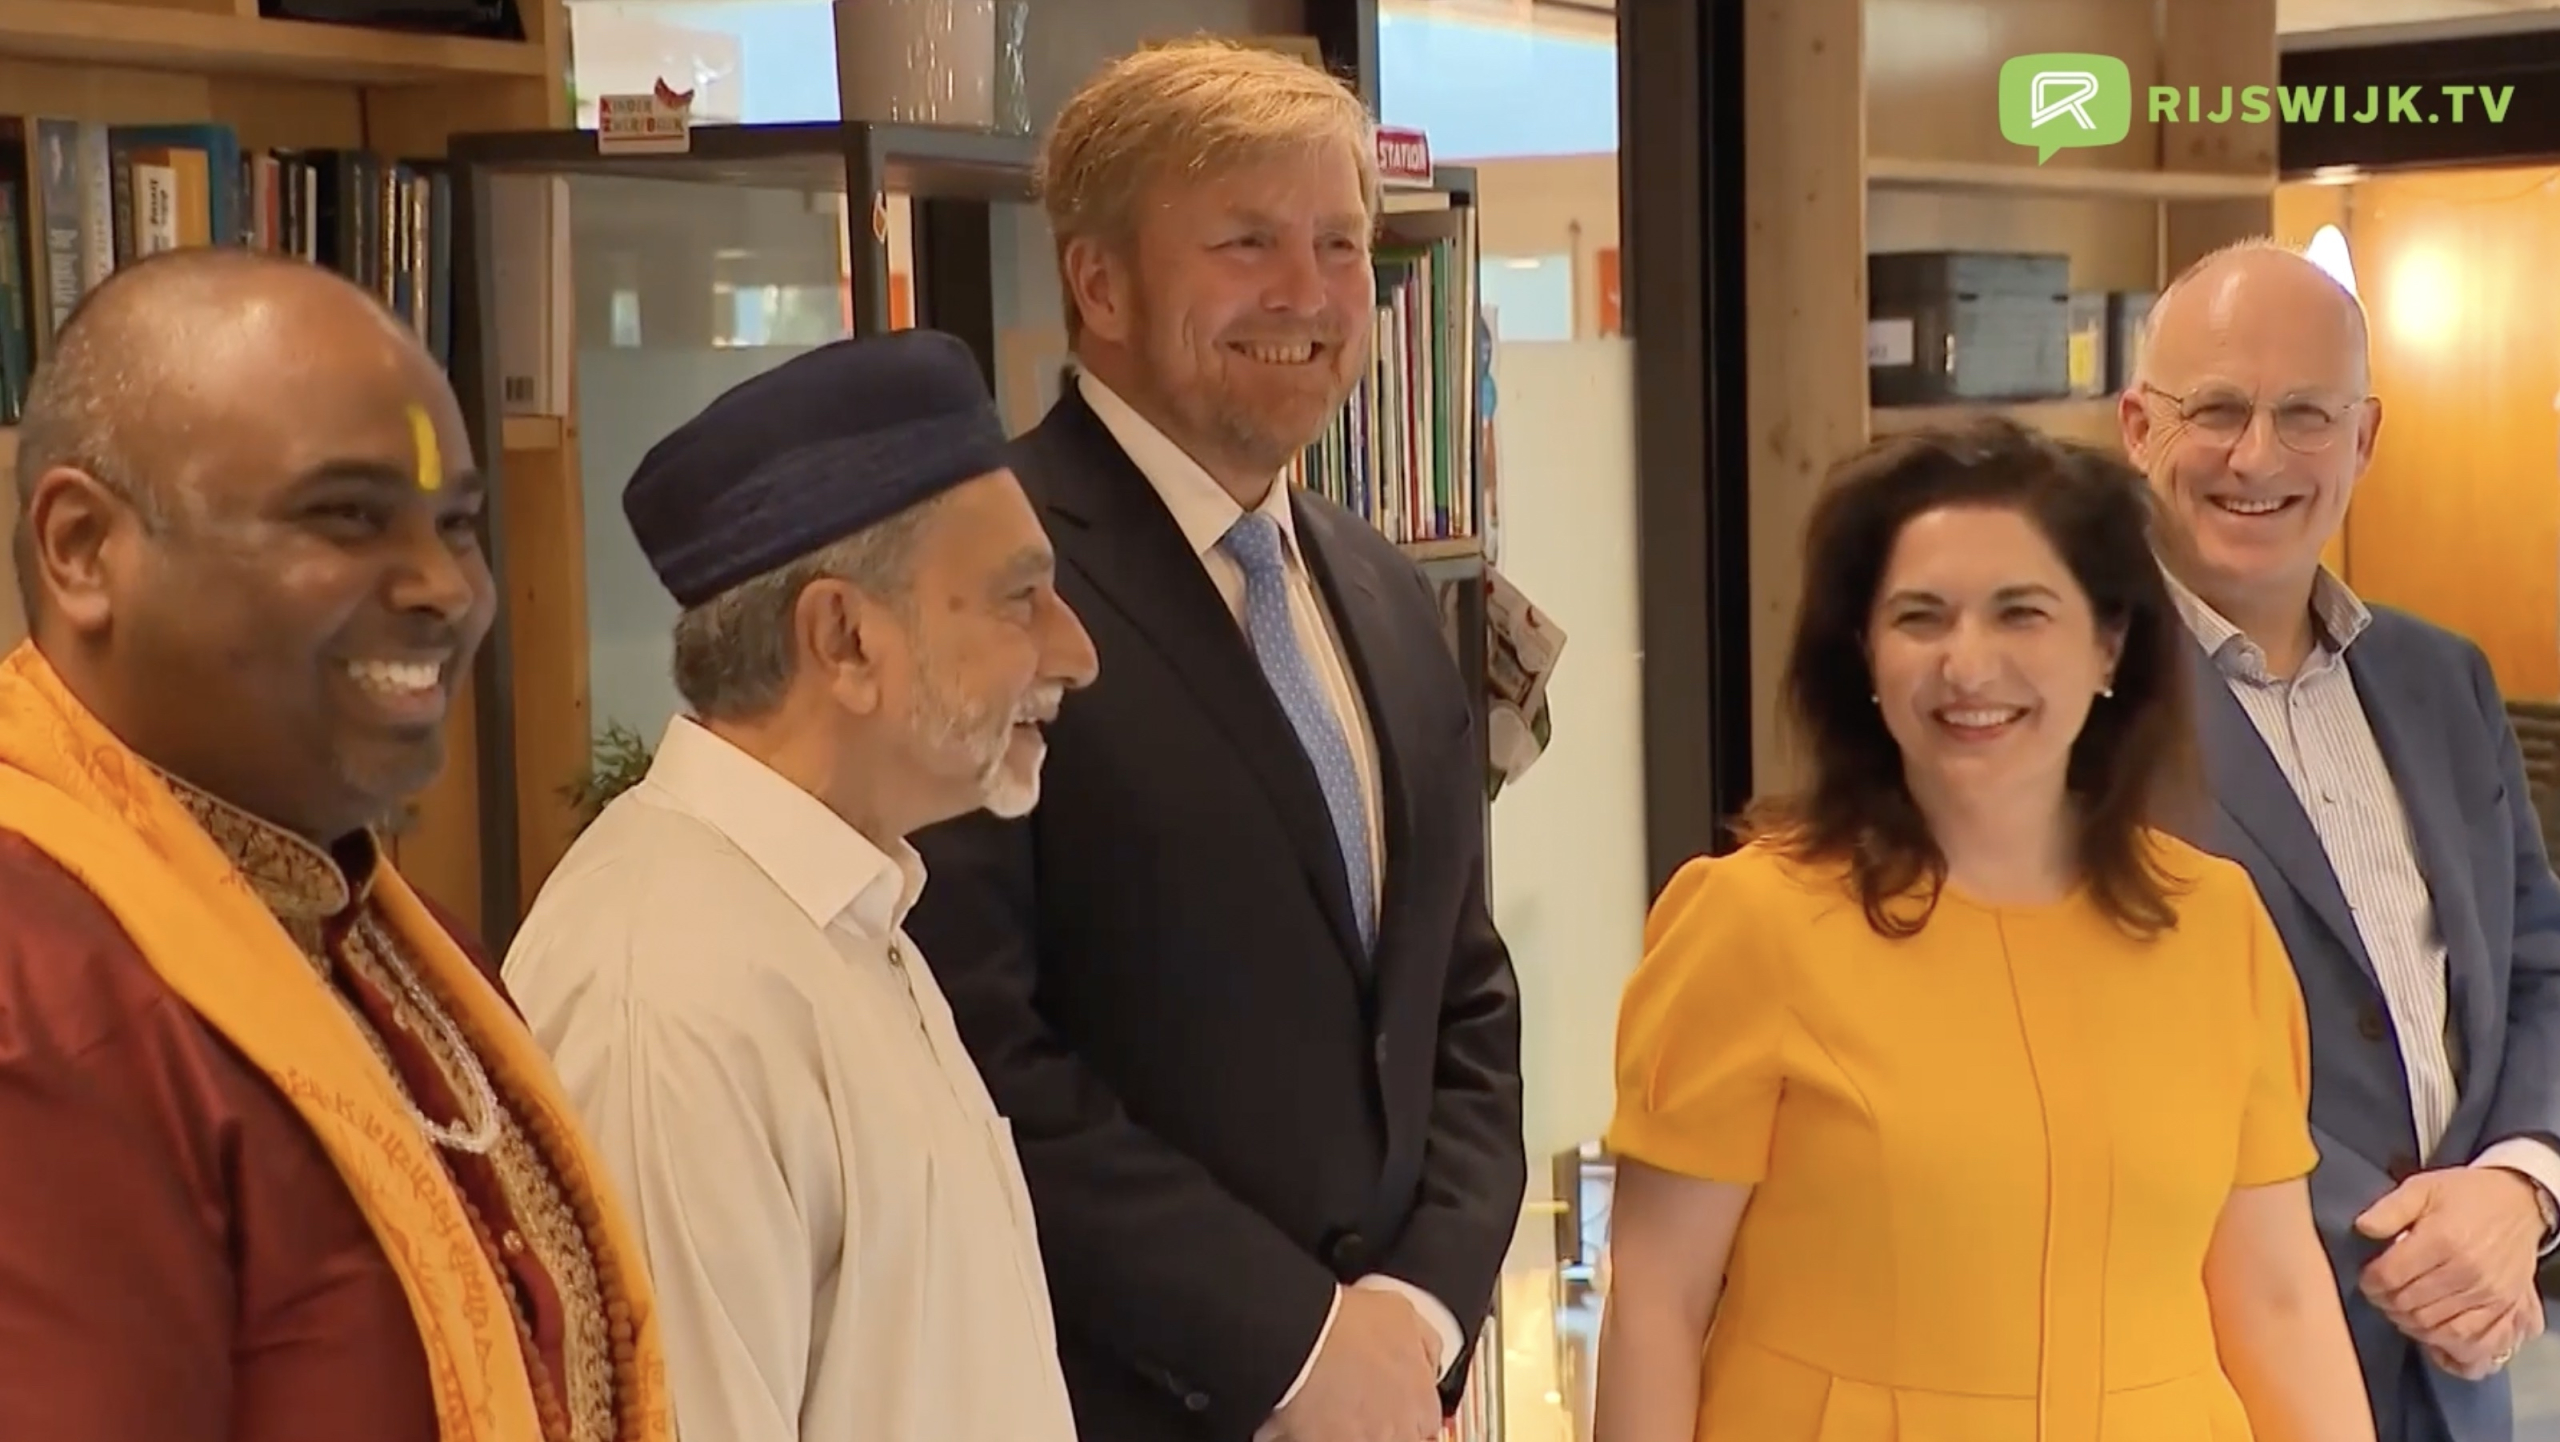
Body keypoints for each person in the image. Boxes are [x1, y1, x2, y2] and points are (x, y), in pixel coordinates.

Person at [899, 37, 1527, 1442]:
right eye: (1245, 242)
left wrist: (1418, 1317)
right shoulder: (981, 579)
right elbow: (978, 1048)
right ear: (1100, 280)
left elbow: (1462, 988)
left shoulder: (1380, 586)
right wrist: (1298, 1346)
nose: (1306, 294)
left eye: (1341, 244)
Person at [0, 247, 675, 1442]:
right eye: (346, 515)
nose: (442, 588)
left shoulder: (375, 931)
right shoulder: (42, 988)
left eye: (457, 523)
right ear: (82, 547)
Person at [1593, 420, 2376, 1442]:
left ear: (2107, 645)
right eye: (1919, 617)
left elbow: (2275, 1296)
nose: (1968, 664)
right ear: (1864, 656)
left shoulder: (2213, 922)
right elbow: (1656, 1302)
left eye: (2021, 613)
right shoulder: (1750, 921)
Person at [501, 329, 1099, 1442]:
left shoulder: (844, 922)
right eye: (1021, 599)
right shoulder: (670, 999)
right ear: (845, 638)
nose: (1076, 651)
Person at [2126, 237, 2560, 1442]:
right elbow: (2095, 1045)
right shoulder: (2073, 709)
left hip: (2461, 1365)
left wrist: (2519, 1184)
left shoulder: (2440, 677)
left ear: (2362, 438)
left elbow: (2538, 963)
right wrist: (2408, 1246)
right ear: (2135, 427)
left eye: (2304, 415)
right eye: (2213, 408)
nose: (2255, 456)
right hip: (2208, 1370)